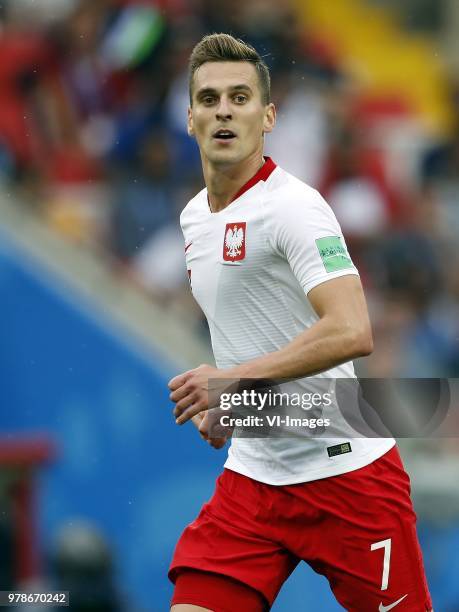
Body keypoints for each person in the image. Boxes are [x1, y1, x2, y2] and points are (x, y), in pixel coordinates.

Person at [167, 33, 432, 612]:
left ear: (267, 117)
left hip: (348, 474)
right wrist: (234, 408)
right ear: (190, 118)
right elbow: (259, 334)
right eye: (209, 99)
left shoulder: (295, 207)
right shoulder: (194, 219)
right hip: (255, 481)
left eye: (240, 98)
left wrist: (236, 381)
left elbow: (350, 331)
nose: (224, 111)